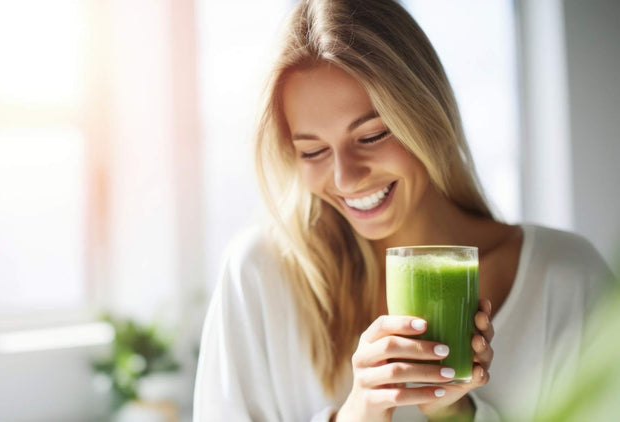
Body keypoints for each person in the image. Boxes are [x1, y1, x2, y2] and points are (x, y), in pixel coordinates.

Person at [192, 0, 615, 421]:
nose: (345, 178)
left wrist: (455, 413)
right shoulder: (258, 276)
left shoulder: (567, 280)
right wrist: (359, 412)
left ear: (428, 113)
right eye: (313, 150)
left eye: (372, 135)